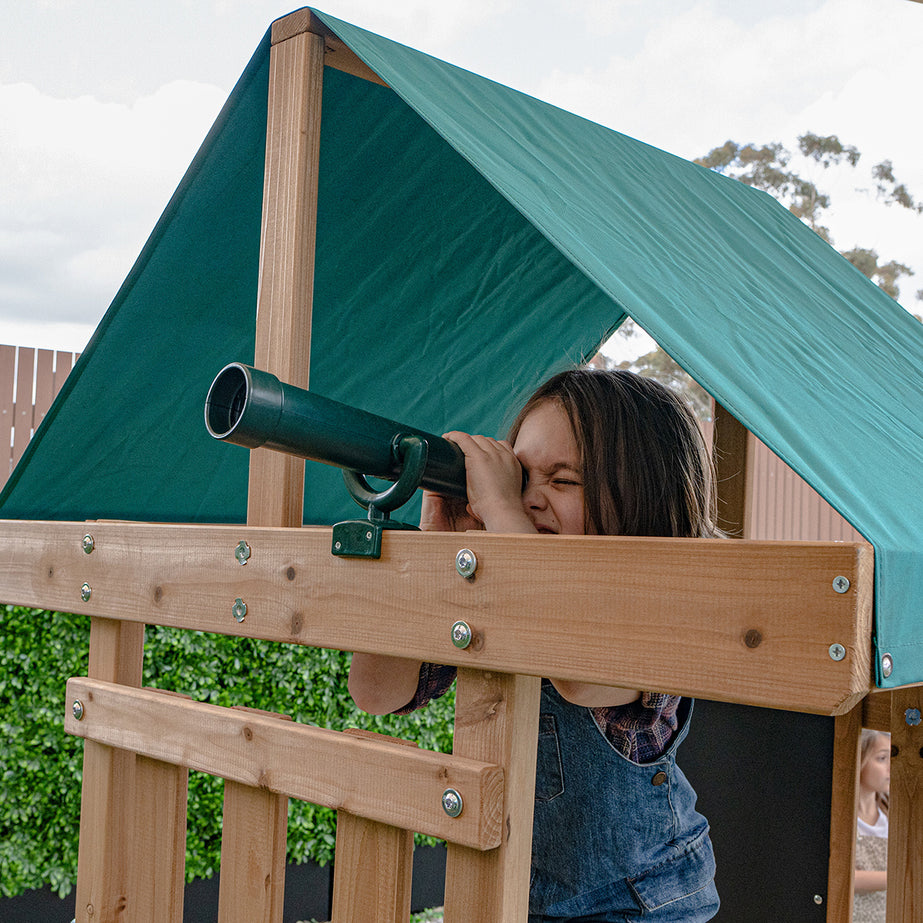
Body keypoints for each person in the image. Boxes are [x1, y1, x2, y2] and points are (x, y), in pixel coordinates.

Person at [349, 368, 720, 922]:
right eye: (520, 478)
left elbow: (573, 666)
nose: (530, 501)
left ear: (645, 496)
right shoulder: (500, 590)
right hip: (519, 896)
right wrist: (434, 547)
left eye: (563, 481)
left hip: (644, 900)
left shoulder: (656, 611)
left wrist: (501, 514)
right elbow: (375, 691)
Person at [853, 729, 890, 922]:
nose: (890, 767)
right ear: (860, 759)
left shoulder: (891, 815)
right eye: (882, 758)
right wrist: (898, 877)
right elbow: (845, 876)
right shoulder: (842, 819)